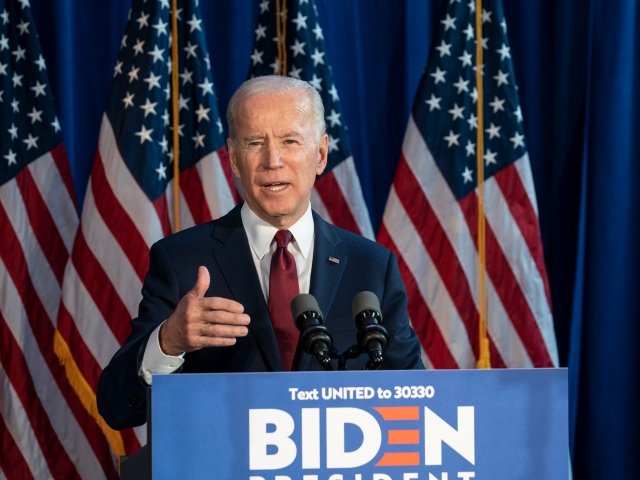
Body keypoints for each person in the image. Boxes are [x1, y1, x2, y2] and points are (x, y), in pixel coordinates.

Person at [97, 75, 424, 430]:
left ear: (321, 154)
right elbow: (117, 407)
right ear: (235, 159)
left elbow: (416, 401)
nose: (273, 160)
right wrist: (169, 341)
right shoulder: (181, 261)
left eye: (290, 141)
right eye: (255, 142)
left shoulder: (372, 266)